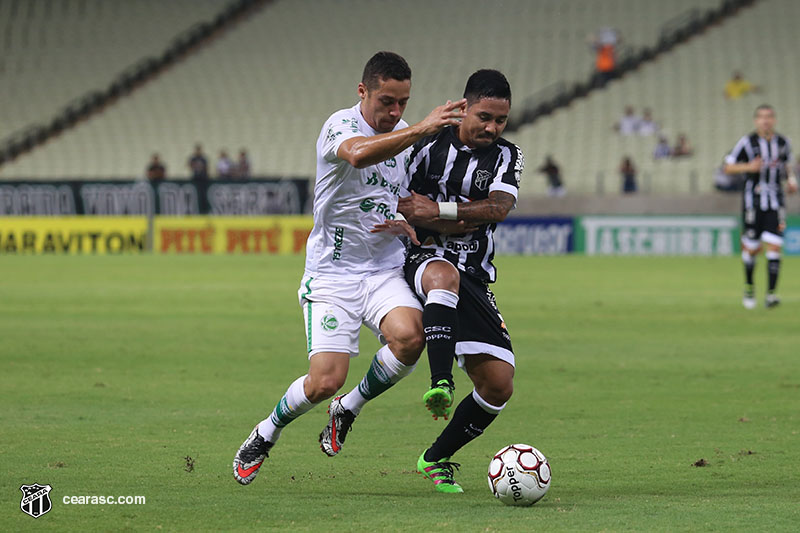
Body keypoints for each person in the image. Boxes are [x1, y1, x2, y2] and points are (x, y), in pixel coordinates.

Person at [232, 51, 467, 485]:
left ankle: (349, 408)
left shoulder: (404, 136)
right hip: (332, 275)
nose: (395, 112)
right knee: (324, 381)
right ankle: (266, 433)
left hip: (382, 270)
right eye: (386, 101)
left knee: (411, 338)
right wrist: (419, 128)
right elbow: (358, 157)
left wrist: (405, 219)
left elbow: (393, 193)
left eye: (403, 103)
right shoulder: (341, 125)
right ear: (363, 92)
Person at [397, 69, 523, 494]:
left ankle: (435, 458)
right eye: (485, 116)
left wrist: (440, 212)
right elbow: (402, 202)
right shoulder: (427, 145)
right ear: (464, 107)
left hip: (475, 273)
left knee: (498, 384)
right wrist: (425, 216)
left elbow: (499, 208)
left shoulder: (508, 156)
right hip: (420, 257)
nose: (492, 127)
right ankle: (441, 381)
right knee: (441, 275)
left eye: (500, 120)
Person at [723, 104, 797, 309]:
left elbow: (788, 166)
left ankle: (771, 295)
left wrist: (791, 182)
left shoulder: (783, 142)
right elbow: (728, 166)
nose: (766, 121)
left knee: (774, 246)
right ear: (756, 121)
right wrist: (748, 166)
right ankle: (749, 287)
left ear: (774, 120)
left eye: (769, 117)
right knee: (751, 249)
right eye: (762, 117)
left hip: (776, 202)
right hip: (752, 204)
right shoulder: (747, 142)